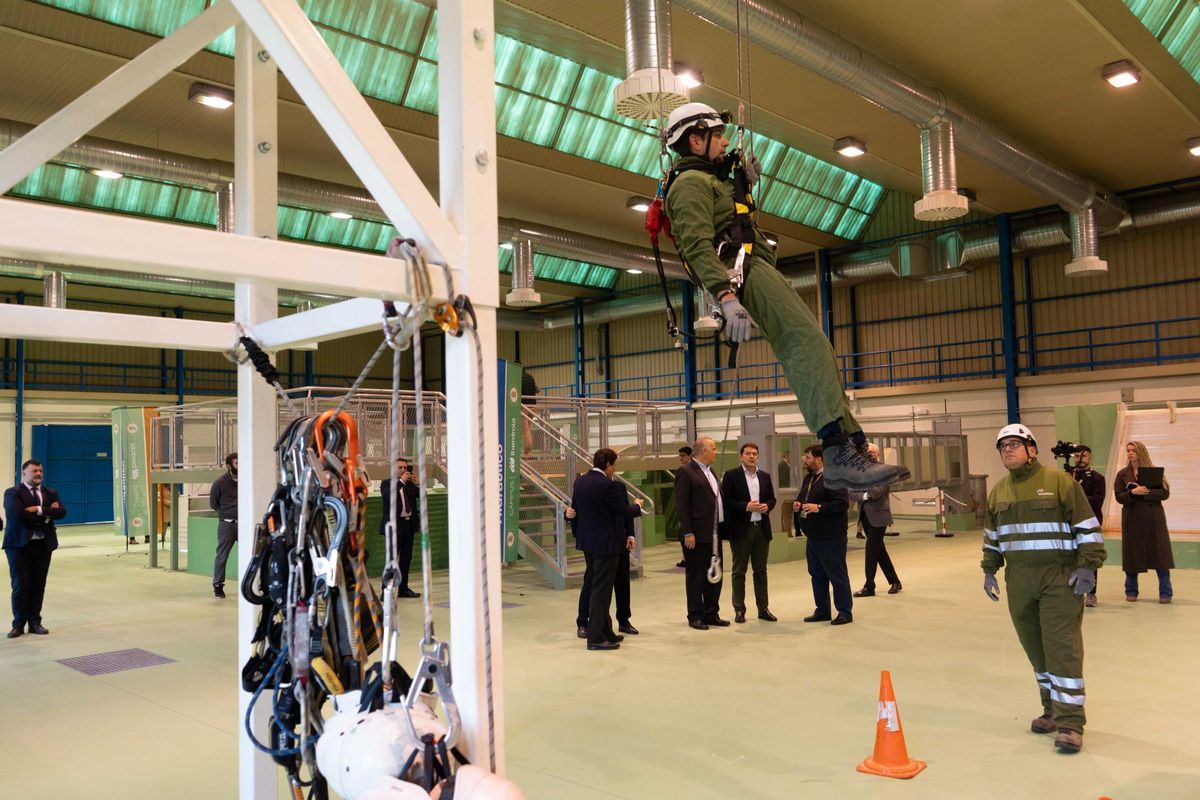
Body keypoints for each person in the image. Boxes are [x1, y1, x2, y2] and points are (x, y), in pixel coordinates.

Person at [661, 102, 906, 492]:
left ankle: (852, 445)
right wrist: (725, 295)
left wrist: (743, 184)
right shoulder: (690, 184)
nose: (725, 141)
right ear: (695, 139)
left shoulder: (711, 179)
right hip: (743, 271)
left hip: (756, 265)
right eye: (717, 135)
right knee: (804, 343)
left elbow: (728, 213)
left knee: (818, 347)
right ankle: (838, 452)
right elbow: (695, 244)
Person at [982, 424, 1105, 754]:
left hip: (1058, 579)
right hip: (1019, 582)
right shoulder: (998, 492)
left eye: (1014, 444)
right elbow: (992, 538)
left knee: (1061, 647)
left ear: (1031, 449)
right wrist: (989, 571)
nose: (1007, 450)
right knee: (1035, 649)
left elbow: (1088, 527)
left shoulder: (1059, 482)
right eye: (1002, 446)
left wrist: (1087, 566)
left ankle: (1070, 724)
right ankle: (1050, 710)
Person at [569, 448, 643, 651]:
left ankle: (606, 630)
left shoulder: (580, 481)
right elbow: (623, 511)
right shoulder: (607, 485)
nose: (615, 469)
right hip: (606, 544)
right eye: (615, 465)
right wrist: (637, 506)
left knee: (597, 587)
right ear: (608, 465)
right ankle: (595, 637)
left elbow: (578, 510)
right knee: (601, 592)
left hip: (588, 543)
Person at [4, 459, 66, 638]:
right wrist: (47, 514)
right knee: (20, 585)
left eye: (40, 470)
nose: (38, 473)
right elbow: (17, 515)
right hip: (18, 546)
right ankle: (18, 624)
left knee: (38, 585)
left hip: (43, 545)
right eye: (34, 471)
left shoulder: (50, 492)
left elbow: (62, 512)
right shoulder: (12, 493)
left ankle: (35, 622)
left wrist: (38, 509)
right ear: (24, 473)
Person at [794, 445, 853, 625]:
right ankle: (822, 610)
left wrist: (818, 508)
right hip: (813, 536)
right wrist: (798, 505)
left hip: (831, 536)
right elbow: (804, 498)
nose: (805, 460)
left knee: (836, 574)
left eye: (808, 457)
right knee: (817, 574)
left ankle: (844, 611)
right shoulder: (809, 478)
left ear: (819, 459)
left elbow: (842, 504)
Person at [720, 442, 777, 623]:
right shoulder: (731, 476)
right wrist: (746, 506)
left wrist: (767, 506)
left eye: (754, 454)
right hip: (741, 531)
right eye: (748, 454)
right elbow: (726, 500)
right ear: (741, 456)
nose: (751, 456)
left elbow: (772, 498)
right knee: (739, 571)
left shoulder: (765, 476)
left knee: (761, 571)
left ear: (758, 456)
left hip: (761, 529)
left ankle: (763, 608)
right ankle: (739, 609)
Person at [675, 437, 728, 630]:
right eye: (713, 449)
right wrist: (688, 531)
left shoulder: (710, 471)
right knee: (696, 575)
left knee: (714, 574)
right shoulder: (685, 471)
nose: (716, 452)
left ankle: (711, 613)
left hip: (714, 532)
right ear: (704, 451)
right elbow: (681, 504)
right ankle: (696, 615)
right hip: (696, 534)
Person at [568, 495, 638, 638]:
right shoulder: (588, 486)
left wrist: (630, 534)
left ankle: (623, 620)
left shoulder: (618, 487)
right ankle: (583, 622)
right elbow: (576, 511)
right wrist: (567, 515)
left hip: (619, 540)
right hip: (600, 544)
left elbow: (625, 512)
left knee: (622, 582)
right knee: (591, 582)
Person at [1114, 441, 1173, 604]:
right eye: (1128, 450)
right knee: (1132, 555)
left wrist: (1145, 492)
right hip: (1132, 519)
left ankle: (1166, 593)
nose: (1130, 453)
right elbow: (1119, 497)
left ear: (1141, 452)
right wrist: (1133, 492)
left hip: (1154, 520)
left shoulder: (1154, 471)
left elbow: (1164, 493)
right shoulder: (1122, 474)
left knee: (1160, 556)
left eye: (1133, 450)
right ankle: (1131, 590)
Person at [854, 443, 901, 598]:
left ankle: (869, 586)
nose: (868, 455)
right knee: (879, 551)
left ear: (877, 455)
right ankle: (895, 581)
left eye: (871, 453)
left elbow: (877, 491)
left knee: (871, 551)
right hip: (865, 516)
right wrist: (864, 494)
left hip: (879, 517)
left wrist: (864, 494)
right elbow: (850, 491)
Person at [379, 456, 421, 599]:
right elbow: (388, 497)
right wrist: (401, 482)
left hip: (408, 525)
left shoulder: (409, 485)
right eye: (400, 468)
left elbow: (422, 496)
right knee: (392, 559)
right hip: (394, 526)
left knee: (406, 558)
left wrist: (418, 484)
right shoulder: (386, 484)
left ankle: (403, 588)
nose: (403, 470)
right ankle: (386, 590)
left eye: (405, 467)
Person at [1072, 445, 1105, 607]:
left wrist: (1078, 492)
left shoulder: (1098, 478)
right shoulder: (1066, 477)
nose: (1080, 459)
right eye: (1077, 456)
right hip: (1070, 523)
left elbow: (1097, 502)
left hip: (1091, 523)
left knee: (1090, 558)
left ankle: (1091, 594)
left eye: (1083, 456)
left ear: (1090, 457)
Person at [208, 452, 238, 600]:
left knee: (254, 553)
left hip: (244, 524)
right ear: (229, 466)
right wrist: (227, 514)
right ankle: (218, 585)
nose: (239, 466)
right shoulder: (219, 483)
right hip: (227, 525)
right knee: (222, 556)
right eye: (236, 463)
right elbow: (214, 504)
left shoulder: (247, 480)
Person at [674, 446, 693, 568]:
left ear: (690, 455)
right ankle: (684, 558)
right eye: (680, 456)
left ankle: (686, 558)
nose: (681, 458)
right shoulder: (684, 470)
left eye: (683, 455)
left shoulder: (686, 471)